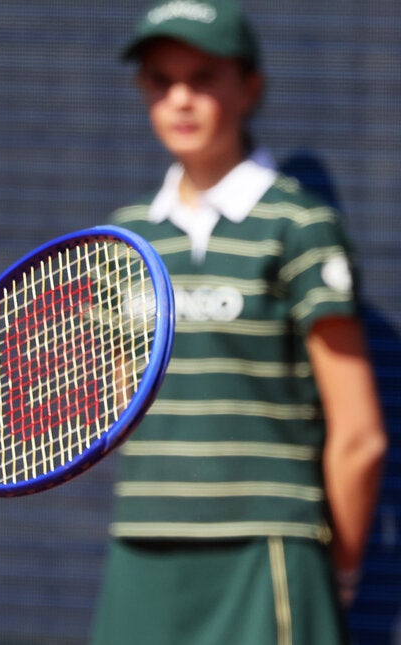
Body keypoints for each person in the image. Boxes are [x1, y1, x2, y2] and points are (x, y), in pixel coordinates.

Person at [90, 2, 388, 644]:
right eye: (162, 81)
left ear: (250, 87)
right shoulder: (124, 239)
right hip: (142, 550)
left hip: (270, 550)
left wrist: (335, 572)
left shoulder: (300, 225)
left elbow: (360, 435)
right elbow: (108, 405)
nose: (181, 99)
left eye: (203, 78)